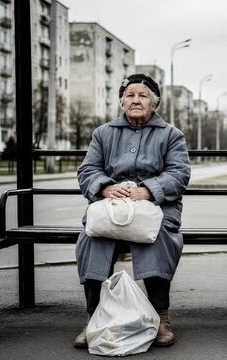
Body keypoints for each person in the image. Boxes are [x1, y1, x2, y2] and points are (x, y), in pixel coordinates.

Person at [73, 73, 191, 349]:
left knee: (156, 236)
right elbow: (88, 170)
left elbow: (179, 173)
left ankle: (160, 316)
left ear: (154, 103)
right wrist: (105, 188)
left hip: (157, 208)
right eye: (130, 95)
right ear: (122, 101)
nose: (136, 100)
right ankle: (94, 318)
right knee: (91, 239)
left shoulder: (171, 135)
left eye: (143, 96)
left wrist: (147, 191)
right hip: (111, 208)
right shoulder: (103, 133)